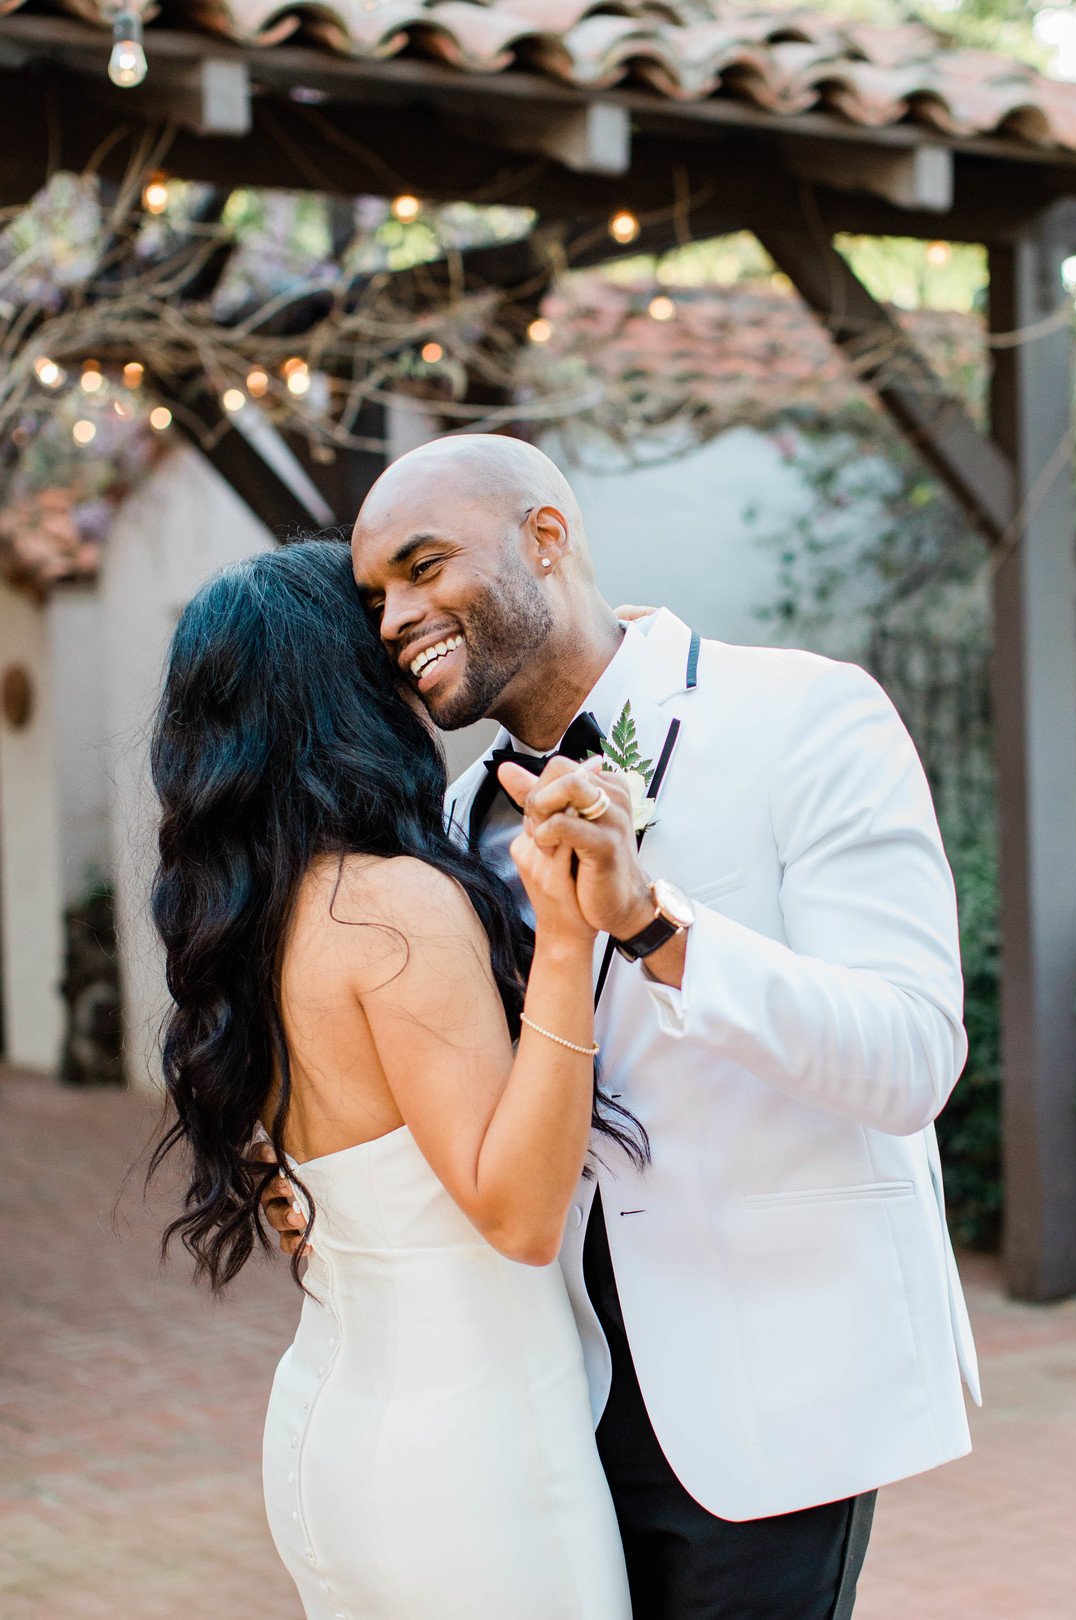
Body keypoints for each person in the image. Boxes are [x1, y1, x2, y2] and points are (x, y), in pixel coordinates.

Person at [265, 432, 980, 1620]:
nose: (394, 617)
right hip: (552, 1399)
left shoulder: (806, 713)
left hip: (776, 1391)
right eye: (376, 595)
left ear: (546, 537)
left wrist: (655, 924)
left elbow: (913, 1057)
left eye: (425, 565)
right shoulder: (449, 818)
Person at [148, 540, 634, 1620]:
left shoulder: (251, 925)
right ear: (354, 690)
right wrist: (563, 940)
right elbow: (515, 1214)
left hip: (337, 1428)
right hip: (472, 1463)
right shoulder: (393, 906)